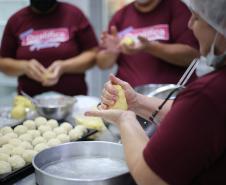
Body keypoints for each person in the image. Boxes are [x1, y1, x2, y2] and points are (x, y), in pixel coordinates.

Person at [86, 0, 226, 184]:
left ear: (221, 28)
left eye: (197, 18)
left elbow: (149, 178)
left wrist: (125, 118)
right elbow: (193, 117)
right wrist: (135, 102)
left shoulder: (208, 92)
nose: (190, 24)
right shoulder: (209, 95)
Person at [0, 0, 98, 96]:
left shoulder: (74, 14)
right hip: (29, 103)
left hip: (73, 101)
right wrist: (24, 67)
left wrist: (64, 66)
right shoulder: (16, 20)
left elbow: (93, 52)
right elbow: (3, 62)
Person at [96, 0, 199, 88]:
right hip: (128, 99)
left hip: (169, 99)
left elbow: (191, 55)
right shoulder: (120, 16)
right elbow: (102, 64)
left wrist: (150, 47)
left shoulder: (177, 8)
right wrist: (112, 52)